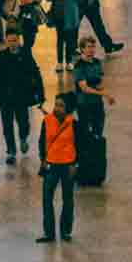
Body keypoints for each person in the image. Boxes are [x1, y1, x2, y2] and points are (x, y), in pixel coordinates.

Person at [0, 27, 45, 165]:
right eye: (10, 40)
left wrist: (40, 95)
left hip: (21, 97)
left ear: (19, 40)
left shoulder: (26, 55)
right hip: (5, 97)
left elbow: (35, 74)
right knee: (7, 126)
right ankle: (11, 151)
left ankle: (23, 138)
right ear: (6, 41)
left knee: (23, 122)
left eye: (15, 40)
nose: (13, 43)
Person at [37, 95, 78, 243]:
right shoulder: (47, 121)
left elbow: (80, 145)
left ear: (67, 108)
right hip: (51, 165)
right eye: (56, 105)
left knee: (68, 199)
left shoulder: (73, 123)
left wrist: (76, 164)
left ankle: (65, 231)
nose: (57, 108)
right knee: (47, 199)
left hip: (68, 165)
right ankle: (49, 233)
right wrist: (42, 158)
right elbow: (42, 141)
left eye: (61, 106)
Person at [46, 0, 82, 73]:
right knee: (60, 39)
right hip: (59, 16)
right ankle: (60, 62)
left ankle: (70, 61)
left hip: (71, 17)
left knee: (70, 40)